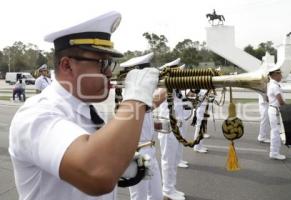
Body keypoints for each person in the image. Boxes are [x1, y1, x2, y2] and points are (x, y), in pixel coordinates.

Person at [9, 11, 159, 200]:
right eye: (102, 62)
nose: (109, 73)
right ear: (67, 66)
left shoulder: (84, 109)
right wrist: (136, 98)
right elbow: (97, 173)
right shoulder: (37, 114)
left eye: (109, 64)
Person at [120, 52, 165, 200]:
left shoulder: (141, 94)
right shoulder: (131, 95)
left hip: (149, 149)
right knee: (139, 196)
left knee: (157, 195)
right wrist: (168, 87)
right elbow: (156, 101)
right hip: (138, 153)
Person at [157, 58, 186, 200]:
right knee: (168, 159)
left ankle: (171, 187)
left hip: (175, 124)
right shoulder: (164, 86)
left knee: (173, 158)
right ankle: (167, 189)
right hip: (168, 126)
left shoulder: (173, 86)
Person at [267, 64, 286, 160]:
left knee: (275, 131)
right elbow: (281, 101)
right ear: (274, 75)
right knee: (276, 132)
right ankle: (274, 152)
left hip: (273, 109)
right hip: (275, 110)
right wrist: (289, 107)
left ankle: (274, 151)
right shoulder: (274, 86)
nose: (281, 76)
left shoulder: (272, 85)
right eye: (280, 74)